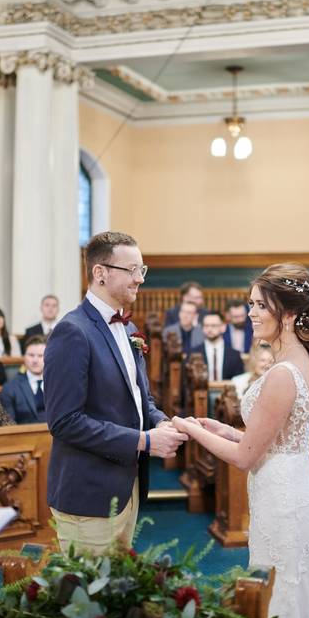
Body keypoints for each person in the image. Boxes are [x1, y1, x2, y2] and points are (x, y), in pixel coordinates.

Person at [172, 263, 309, 618]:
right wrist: (223, 429)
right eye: (251, 304)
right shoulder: (296, 362)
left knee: (279, 601)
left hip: (285, 501)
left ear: (288, 314)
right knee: (292, 595)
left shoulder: (281, 373)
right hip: (293, 487)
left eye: (261, 305)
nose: (251, 313)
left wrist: (189, 430)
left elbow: (246, 457)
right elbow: (274, 435)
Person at [43, 231, 187, 555]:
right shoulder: (72, 332)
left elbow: (140, 398)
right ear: (100, 273)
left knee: (117, 594)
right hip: (89, 492)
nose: (139, 279)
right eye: (132, 270)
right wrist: (145, 441)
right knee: (88, 599)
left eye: (142, 270)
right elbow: (64, 421)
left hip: (127, 484)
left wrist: (161, 422)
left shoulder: (130, 330)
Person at [0, 335, 49, 424]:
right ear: (24, 357)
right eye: (31, 355)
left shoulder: (58, 385)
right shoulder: (10, 388)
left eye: (40, 356)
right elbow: (9, 425)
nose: (35, 360)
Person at [191, 310, 244, 381]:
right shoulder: (194, 353)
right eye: (206, 326)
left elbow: (239, 380)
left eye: (213, 326)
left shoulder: (234, 355)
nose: (209, 329)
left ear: (223, 327)